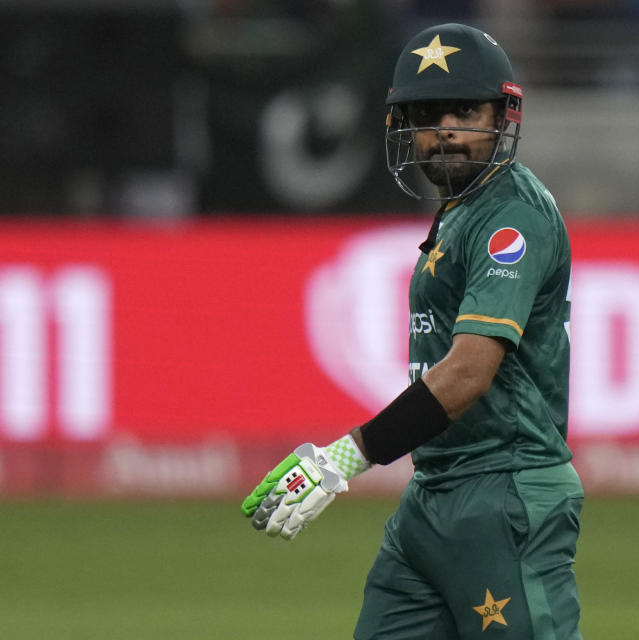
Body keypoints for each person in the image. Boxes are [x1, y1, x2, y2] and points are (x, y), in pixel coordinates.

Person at [241, 22, 583, 639]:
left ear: (502, 116)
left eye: (465, 110)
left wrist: (343, 458)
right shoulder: (462, 211)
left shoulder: (511, 216)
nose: (446, 128)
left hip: (503, 492)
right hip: (435, 495)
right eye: (428, 113)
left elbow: (469, 372)